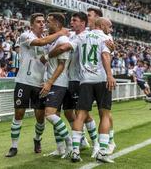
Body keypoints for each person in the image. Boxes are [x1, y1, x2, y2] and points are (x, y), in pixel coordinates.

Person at [5, 13, 69, 157]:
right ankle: (14, 146)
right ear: (32, 25)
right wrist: (60, 32)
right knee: (19, 113)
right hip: (23, 82)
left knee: (40, 117)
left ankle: (37, 139)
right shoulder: (25, 36)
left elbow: (47, 58)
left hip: (40, 84)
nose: (42, 24)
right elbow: (40, 43)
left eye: (43, 22)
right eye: (38, 22)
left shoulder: (48, 41)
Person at [46, 12, 99, 158]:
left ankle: (96, 144)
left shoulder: (88, 36)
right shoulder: (71, 36)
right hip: (69, 80)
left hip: (80, 80)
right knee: (68, 113)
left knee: (83, 114)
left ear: (83, 23)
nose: (72, 22)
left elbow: (63, 49)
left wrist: (47, 55)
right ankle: (78, 142)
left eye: (74, 20)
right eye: (71, 20)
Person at [71, 17, 116, 163]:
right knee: (104, 114)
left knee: (80, 115)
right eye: (109, 27)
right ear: (102, 25)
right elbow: (104, 55)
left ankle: (75, 150)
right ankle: (102, 151)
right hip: (102, 79)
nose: (110, 30)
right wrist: (110, 75)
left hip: (85, 80)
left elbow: (71, 50)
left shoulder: (81, 36)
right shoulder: (105, 37)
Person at [40, 12, 75, 158]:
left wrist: (49, 82)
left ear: (57, 23)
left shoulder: (62, 39)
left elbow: (61, 65)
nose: (47, 24)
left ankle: (70, 144)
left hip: (58, 82)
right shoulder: (54, 39)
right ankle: (60, 148)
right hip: (54, 81)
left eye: (49, 21)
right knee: (56, 115)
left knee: (49, 114)